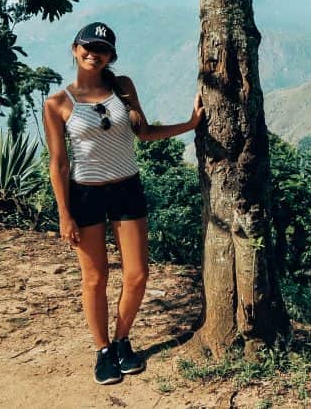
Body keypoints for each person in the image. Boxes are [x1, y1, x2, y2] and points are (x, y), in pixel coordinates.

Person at [42, 22, 204, 385]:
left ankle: (121, 340)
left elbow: (144, 133)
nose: (92, 53)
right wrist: (64, 213)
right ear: (74, 49)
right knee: (95, 278)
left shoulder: (122, 87)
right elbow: (59, 163)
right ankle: (102, 351)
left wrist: (190, 124)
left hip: (126, 188)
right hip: (85, 194)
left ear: (110, 56)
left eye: (101, 49)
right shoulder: (57, 104)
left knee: (137, 274)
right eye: (87, 46)